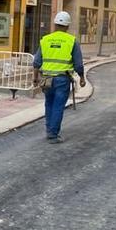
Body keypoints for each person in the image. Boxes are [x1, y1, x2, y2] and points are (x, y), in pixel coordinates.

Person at [33, 11, 86, 144]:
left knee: (49, 103)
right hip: (62, 80)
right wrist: (82, 77)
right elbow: (78, 63)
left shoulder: (45, 40)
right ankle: (53, 134)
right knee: (58, 106)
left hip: (47, 79)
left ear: (55, 24)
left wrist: (35, 78)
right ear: (67, 26)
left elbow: (37, 62)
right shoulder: (72, 41)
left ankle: (49, 129)